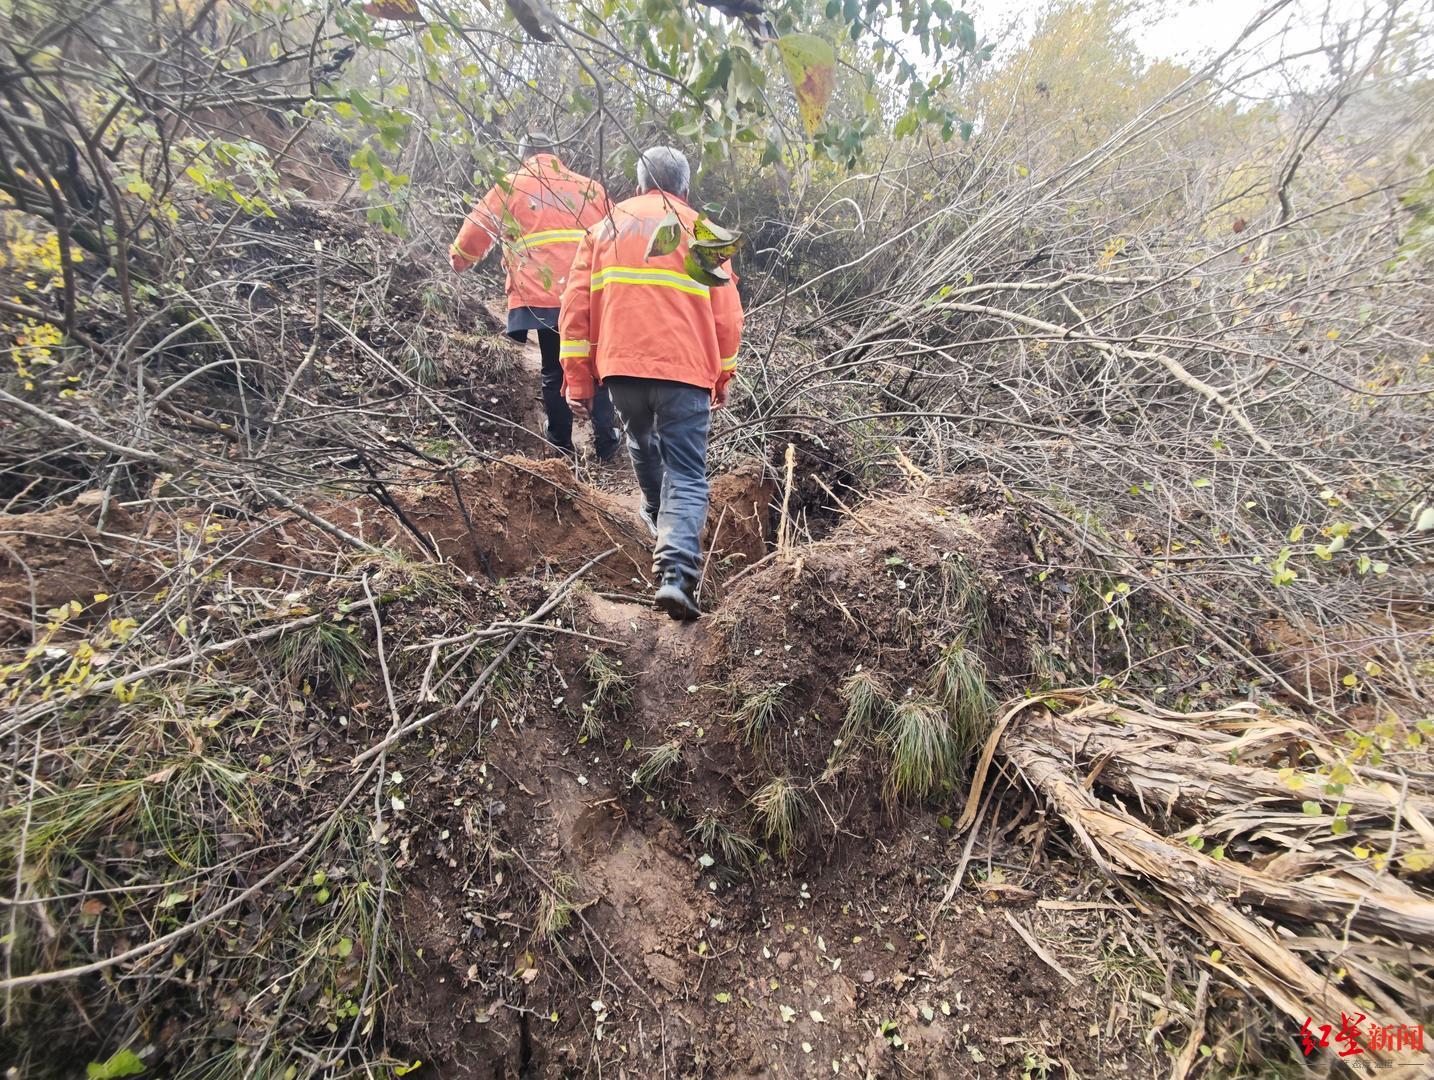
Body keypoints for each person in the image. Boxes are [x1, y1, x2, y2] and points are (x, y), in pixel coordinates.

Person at [558, 146, 743, 621]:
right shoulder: (705, 233)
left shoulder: (604, 228)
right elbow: (727, 317)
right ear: (685, 189)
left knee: (641, 438)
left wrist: (579, 379)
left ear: (640, 184)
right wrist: (722, 374)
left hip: (621, 368)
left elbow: (576, 306)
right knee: (686, 469)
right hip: (684, 371)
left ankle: (655, 513)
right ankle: (677, 576)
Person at [449, 134, 620, 459]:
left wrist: (459, 259)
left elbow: (477, 228)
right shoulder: (589, 188)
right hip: (591, 292)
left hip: (544, 294)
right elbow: (617, 233)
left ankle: (560, 443)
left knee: (554, 367)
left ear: (523, 156)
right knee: (596, 364)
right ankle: (607, 443)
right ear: (556, 155)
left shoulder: (511, 185)